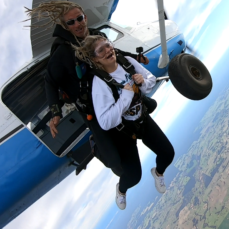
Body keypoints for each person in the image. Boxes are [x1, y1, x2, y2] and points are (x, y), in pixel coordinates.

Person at [25, 1, 149, 174]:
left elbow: (116, 54)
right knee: (114, 160)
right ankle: (96, 147)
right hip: (90, 107)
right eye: (71, 22)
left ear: (85, 17)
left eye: (79, 18)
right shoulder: (62, 52)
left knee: (144, 109)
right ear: (65, 26)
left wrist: (135, 57)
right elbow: (50, 81)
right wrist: (56, 112)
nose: (77, 24)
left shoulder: (96, 36)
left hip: (113, 94)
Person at [73, 35, 175, 210]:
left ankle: (158, 172)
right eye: (101, 50)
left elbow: (150, 80)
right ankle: (121, 190)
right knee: (134, 177)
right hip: (123, 131)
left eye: (108, 45)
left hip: (141, 119)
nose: (108, 50)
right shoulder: (99, 83)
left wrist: (143, 83)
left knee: (167, 153)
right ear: (95, 59)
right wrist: (125, 98)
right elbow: (105, 122)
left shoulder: (126, 62)